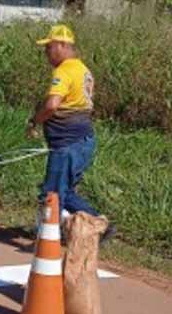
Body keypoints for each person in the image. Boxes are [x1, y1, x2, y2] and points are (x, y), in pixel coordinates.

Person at [26, 24, 115, 243]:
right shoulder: (83, 69)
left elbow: (52, 105)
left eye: (49, 47)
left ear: (62, 45)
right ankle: (93, 226)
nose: (46, 53)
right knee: (65, 192)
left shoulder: (64, 71)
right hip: (83, 140)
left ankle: (52, 240)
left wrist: (35, 120)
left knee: (52, 194)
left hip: (67, 144)